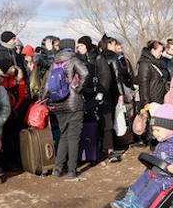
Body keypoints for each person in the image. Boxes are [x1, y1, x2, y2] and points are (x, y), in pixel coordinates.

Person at [110, 103, 173, 208]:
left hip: (169, 178)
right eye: (153, 130)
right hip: (158, 172)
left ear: (170, 129)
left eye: (158, 130)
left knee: (154, 185)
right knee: (144, 178)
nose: (155, 133)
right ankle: (129, 200)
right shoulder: (164, 141)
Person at [44, 39, 90, 180]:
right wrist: (78, 89)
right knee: (73, 137)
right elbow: (85, 73)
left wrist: (46, 100)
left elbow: (47, 84)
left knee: (63, 135)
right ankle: (71, 170)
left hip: (58, 104)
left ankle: (58, 169)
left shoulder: (54, 62)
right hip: (73, 103)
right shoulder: (73, 59)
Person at [95, 36, 125, 161]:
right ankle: (111, 148)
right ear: (108, 44)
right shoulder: (113, 57)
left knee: (104, 119)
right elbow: (118, 77)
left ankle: (104, 146)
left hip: (100, 91)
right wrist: (121, 93)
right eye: (113, 44)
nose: (114, 46)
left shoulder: (97, 57)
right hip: (112, 92)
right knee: (112, 119)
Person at [137, 40, 169, 110]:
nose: (161, 54)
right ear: (152, 50)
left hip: (161, 100)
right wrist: (147, 104)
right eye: (159, 51)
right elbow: (143, 86)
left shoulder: (160, 63)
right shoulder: (145, 64)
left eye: (162, 51)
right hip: (152, 103)